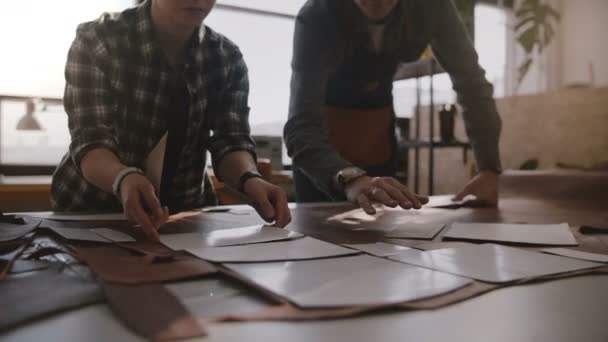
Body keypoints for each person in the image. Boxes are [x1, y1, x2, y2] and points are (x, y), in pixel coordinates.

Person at [51, 0, 291, 240]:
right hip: (91, 213)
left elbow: (231, 140)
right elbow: (91, 139)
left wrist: (250, 179)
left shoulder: (226, 57)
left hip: (185, 217)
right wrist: (124, 178)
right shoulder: (99, 40)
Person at [284, 0, 502, 214]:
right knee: (316, 238)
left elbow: (471, 82)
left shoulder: (432, 7)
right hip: (321, 158)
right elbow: (301, 126)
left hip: (378, 140)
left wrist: (489, 169)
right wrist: (348, 176)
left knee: (385, 238)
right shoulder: (316, 15)